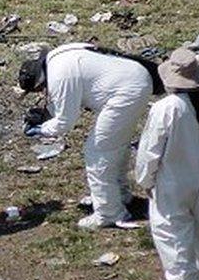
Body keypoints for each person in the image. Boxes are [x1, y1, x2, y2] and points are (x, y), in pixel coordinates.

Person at [19, 43, 153, 230]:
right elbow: (77, 90)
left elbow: (65, 122)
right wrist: (47, 114)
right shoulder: (57, 57)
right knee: (115, 145)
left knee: (97, 152)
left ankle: (109, 213)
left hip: (126, 92)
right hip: (135, 78)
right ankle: (121, 195)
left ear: (40, 83)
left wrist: (41, 129)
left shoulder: (59, 78)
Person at [135, 48, 199, 280]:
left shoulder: (166, 108)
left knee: (170, 228)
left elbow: (150, 150)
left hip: (173, 178)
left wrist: (145, 180)